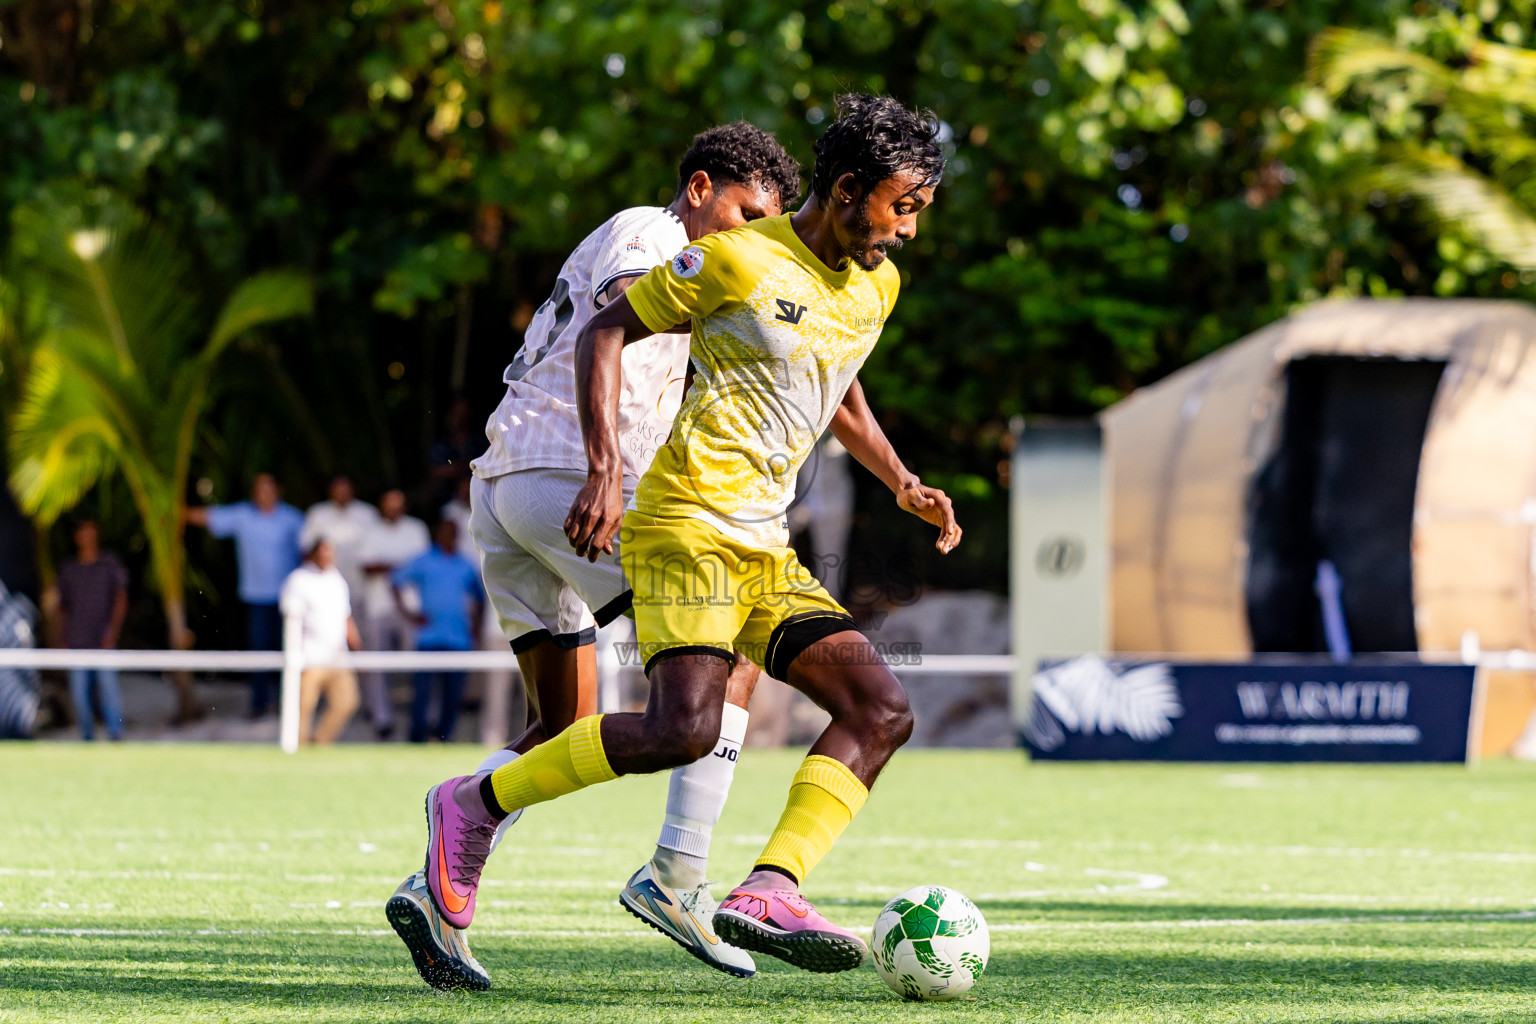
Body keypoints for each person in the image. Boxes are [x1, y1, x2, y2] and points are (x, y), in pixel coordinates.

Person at [419, 94, 959, 977]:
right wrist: (601, 469)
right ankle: (478, 805)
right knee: (684, 728)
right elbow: (606, 331)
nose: (906, 232)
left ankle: (766, 888)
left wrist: (901, 480)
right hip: (684, 525)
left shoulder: (877, 287)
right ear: (851, 188)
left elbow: (841, 384)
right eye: (901, 207)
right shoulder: (734, 257)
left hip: (763, 544)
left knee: (882, 709)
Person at [385, 121, 802, 988]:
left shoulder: (696, 266)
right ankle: (680, 874)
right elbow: (606, 328)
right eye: (743, 211)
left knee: (565, 729)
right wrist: (609, 472)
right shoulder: (652, 236)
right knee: (732, 642)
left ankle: (439, 882)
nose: (747, 234)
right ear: (697, 188)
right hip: (569, 478)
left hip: (508, 487)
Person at [185, 473, 303, 718]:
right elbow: (208, 517)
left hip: (289, 600)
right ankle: (259, 705)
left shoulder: (292, 518)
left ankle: (287, 705)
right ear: (254, 492)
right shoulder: (243, 515)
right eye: (260, 489)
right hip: (256, 598)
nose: (264, 494)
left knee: (289, 652)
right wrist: (173, 511)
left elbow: (311, 548)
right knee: (258, 653)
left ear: (278, 491)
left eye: (269, 488)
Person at [392, 519, 484, 744]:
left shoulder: (465, 564)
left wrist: (476, 628)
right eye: (444, 532)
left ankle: (443, 737)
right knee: (422, 692)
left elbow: (480, 598)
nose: (448, 537)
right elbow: (395, 582)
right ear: (437, 534)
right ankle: (417, 737)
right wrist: (409, 614)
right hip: (428, 637)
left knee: (453, 695)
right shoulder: (423, 561)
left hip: (458, 639)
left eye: (452, 533)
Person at [356, 489, 430, 738]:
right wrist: (402, 565)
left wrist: (387, 565)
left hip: (411, 608)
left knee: (419, 663)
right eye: (388, 505)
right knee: (377, 664)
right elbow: (366, 566)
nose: (393, 509)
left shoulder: (416, 529)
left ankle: (420, 717)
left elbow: (421, 566)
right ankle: (382, 718)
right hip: (378, 607)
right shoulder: (371, 530)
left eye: (397, 504)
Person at [279, 539, 362, 744]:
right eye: (323, 553)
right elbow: (291, 618)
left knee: (347, 701)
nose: (327, 557)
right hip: (310, 655)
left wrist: (357, 646)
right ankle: (297, 746)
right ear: (313, 554)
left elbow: (345, 616)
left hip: (337, 655)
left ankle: (320, 742)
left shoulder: (337, 579)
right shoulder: (299, 579)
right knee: (303, 706)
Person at [55, 519, 128, 741]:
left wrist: (113, 631)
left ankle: (116, 735)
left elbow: (121, 598)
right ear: (76, 537)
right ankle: (87, 738)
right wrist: (62, 636)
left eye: (91, 532)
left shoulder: (109, 564)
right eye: (82, 532)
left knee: (109, 689)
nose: (87, 537)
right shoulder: (69, 569)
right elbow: (62, 607)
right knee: (78, 693)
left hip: (103, 638)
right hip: (77, 639)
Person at [300, 475, 378, 605]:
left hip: (362, 586)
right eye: (337, 489)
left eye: (345, 489)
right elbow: (306, 548)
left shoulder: (367, 514)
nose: (342, 493)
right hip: (326, 585)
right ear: (330, 491)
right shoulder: (317, 514)